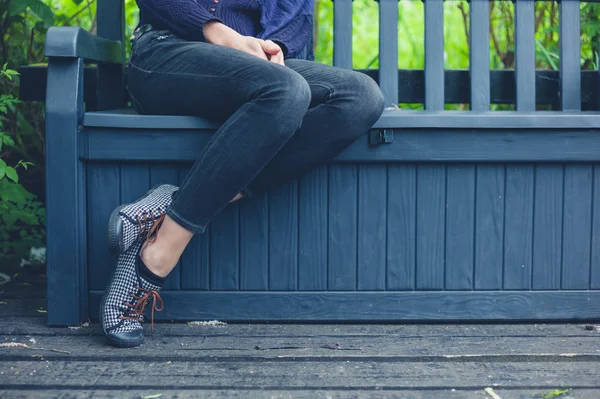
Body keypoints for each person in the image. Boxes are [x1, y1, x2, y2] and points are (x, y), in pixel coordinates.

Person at [100, 0, 385, 348]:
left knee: (360, 96)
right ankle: (158, 261)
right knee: (286, 89)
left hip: (253, 63)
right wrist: (218, 32)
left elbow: (293, 10)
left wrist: (273, 47)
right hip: (167, 53)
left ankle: (166, 215)